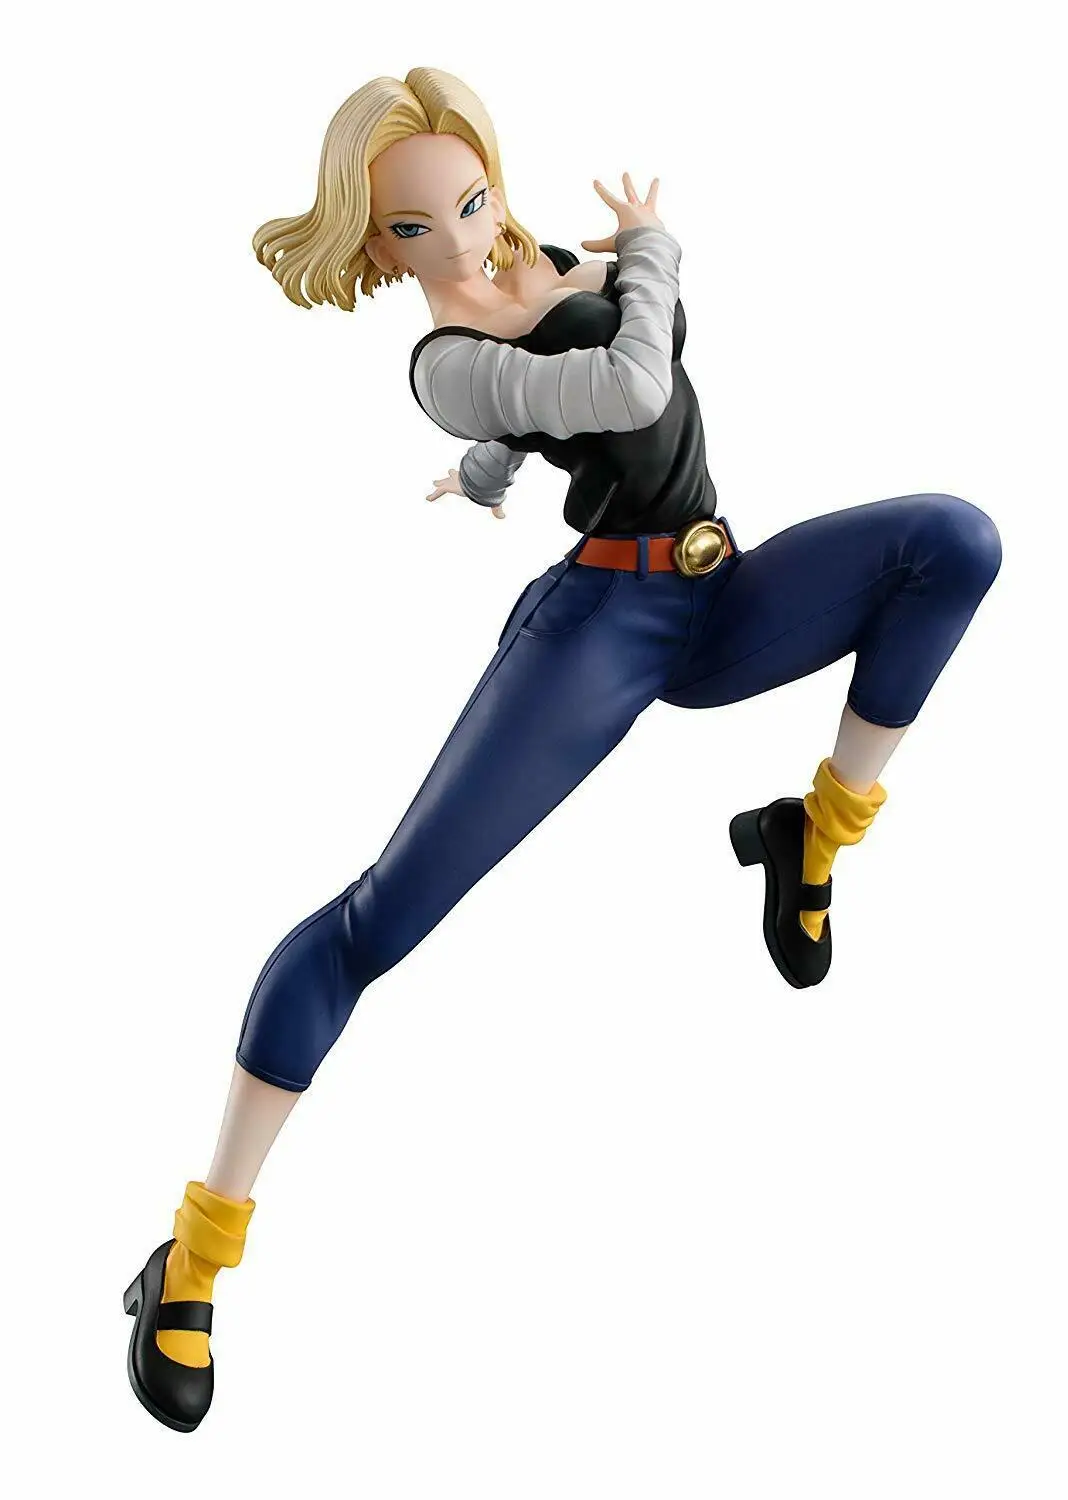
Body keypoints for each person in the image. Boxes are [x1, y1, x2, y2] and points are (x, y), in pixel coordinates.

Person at [123, 66, 1002, 1431]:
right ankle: (194, 1256)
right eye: (418, 227)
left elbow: (572, 398)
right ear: (375, 246)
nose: (463, 237)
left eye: (473, 201)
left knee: (951, 541)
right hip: (603, 627)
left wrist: (487, 469)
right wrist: (651, 248)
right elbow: (627, 380)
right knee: (376, 922)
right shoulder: (442, 363)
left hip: (720, 586)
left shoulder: (526, 268)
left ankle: (811, 834)